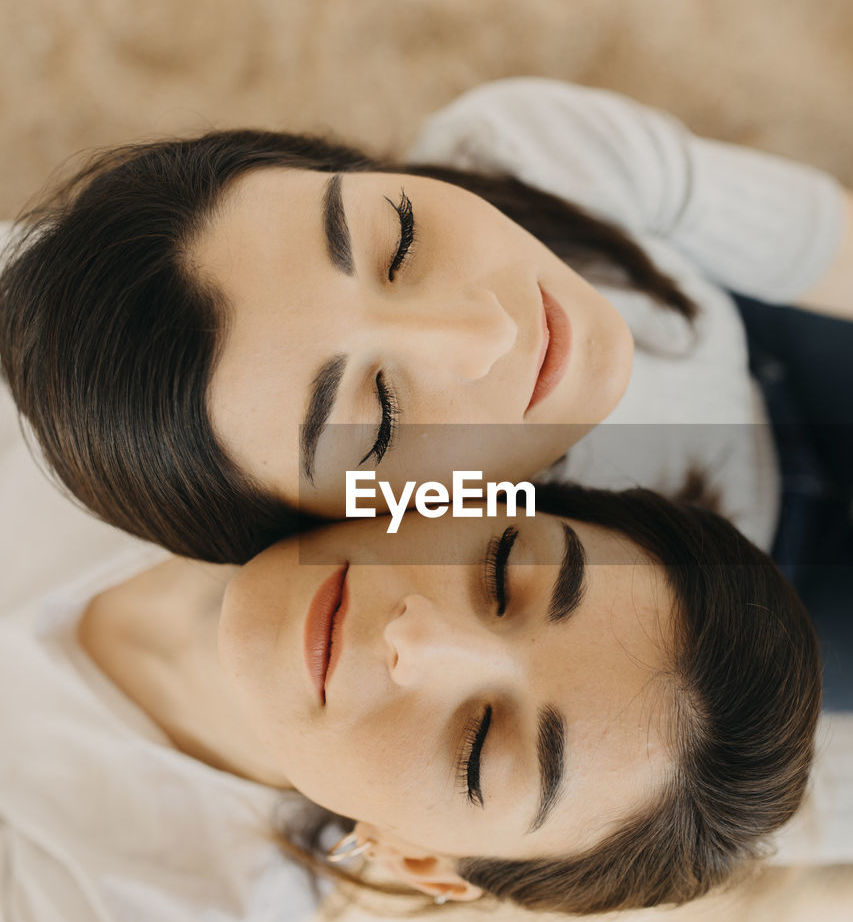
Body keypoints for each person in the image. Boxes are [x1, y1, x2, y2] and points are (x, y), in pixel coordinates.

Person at [0, 381, 825, 922]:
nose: (417, 639)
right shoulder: (152, 377)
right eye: (502, 574)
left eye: (475, 747)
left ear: (421, 860)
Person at [1, 79, 851, 569]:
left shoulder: (527, 151)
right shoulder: (468, 636)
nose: (485, 331)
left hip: (767, 343)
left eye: (400, 240)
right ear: (352, 521)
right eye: (378, 418)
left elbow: (822, 245)